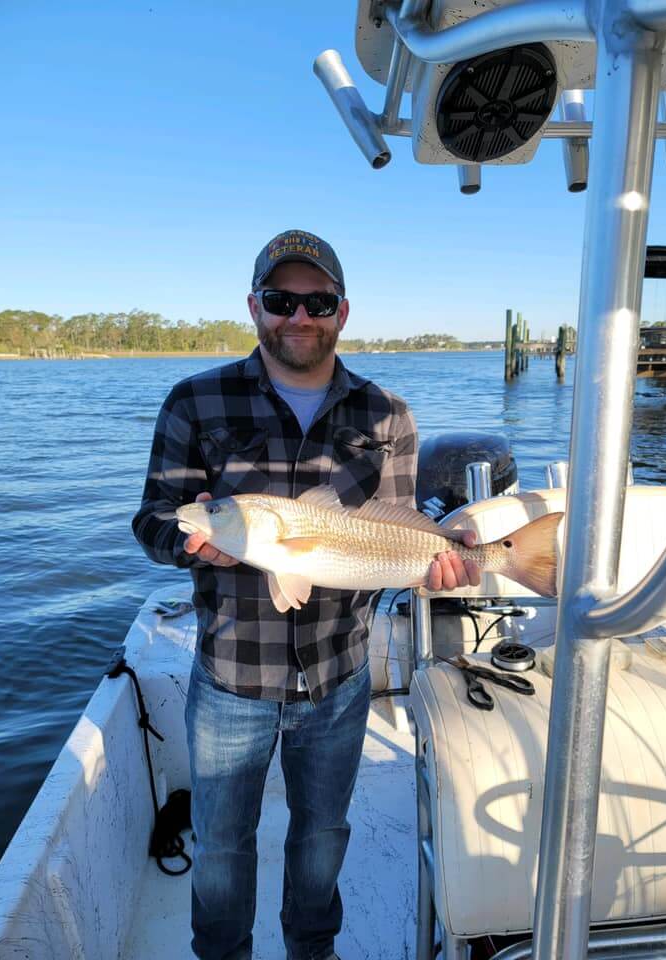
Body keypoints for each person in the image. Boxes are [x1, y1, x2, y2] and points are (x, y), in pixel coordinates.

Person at [132, 228, 482, 960]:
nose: (299, 315)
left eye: (316, 300)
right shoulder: (195, 401)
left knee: (323, 835)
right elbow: (154, 519)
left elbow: (394, 531)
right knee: (223, 846)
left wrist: (438, 568)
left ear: (342, 311)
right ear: (254, 307)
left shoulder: (386, 414)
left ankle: (310, 952)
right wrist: (186, 539)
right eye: (281, 299)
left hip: (340, 672)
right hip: (232, 675)